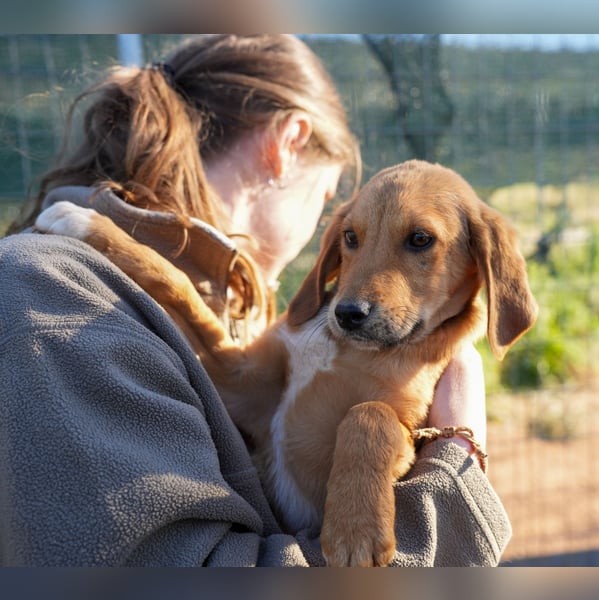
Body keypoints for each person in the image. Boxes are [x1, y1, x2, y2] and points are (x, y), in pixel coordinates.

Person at [0, 34, 510, 566]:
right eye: (333, 200)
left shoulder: (245, 305)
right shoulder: (51, 296)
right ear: (288, 142)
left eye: (417, 241)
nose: (325, 225)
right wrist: (456, 463)